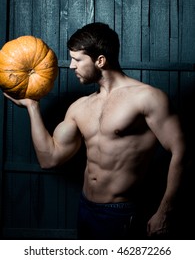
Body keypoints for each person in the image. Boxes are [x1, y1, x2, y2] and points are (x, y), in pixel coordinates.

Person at [4, 22, 186, 240]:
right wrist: (33, 107)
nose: (71, 66)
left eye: (77, 59)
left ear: (100, 60)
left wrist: (165, 212)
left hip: (122, 213)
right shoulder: (80, 106)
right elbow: (49, 159)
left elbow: (182, 152)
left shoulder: (147, 98)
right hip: (86, 208)